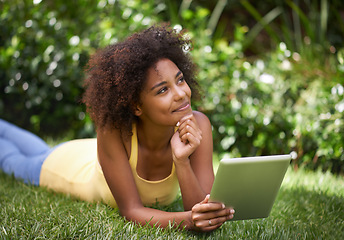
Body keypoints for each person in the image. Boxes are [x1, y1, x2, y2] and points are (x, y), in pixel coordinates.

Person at [0, 25, 234, 232]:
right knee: (11, 159)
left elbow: (202, 208)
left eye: (180, 80)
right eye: (163, 90)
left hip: (89, 153)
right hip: (61, 167)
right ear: (136, 106)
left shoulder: (198, 124)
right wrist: (189, 221)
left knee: (30, 144)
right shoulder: (114, 129)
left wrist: (182, 161)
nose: (181, 93)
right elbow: (131, 210)